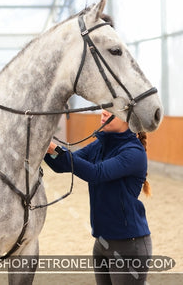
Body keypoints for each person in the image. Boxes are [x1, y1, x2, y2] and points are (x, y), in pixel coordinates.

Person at [44, 110, 152, 284]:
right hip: (102, 241)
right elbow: (62, 164)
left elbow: (97, 173)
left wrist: (55, 148)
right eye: (102, 112)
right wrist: (43, 148)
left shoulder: (133, 152)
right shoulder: (100, 144)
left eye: (110, 113)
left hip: (128, 244)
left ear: (127, 120)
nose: (103, 116)